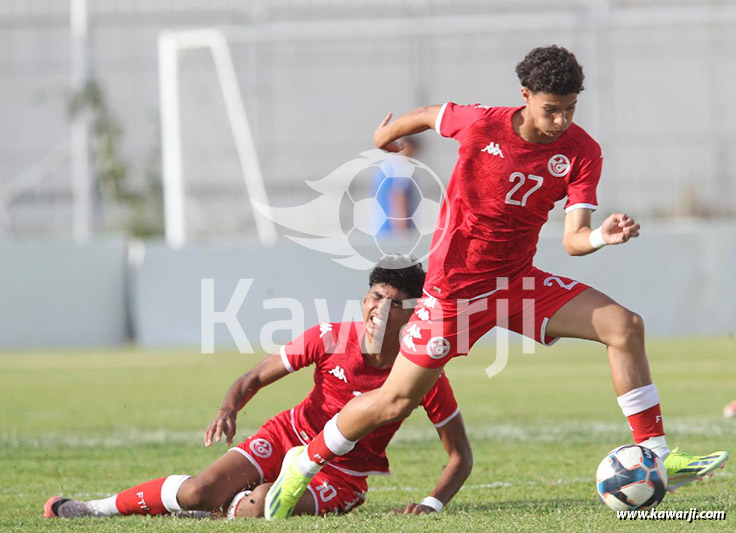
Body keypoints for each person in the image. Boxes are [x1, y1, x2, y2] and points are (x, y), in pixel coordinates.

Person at [264, 45, 729, 519]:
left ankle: (654, 452)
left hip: (516, 283)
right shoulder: (481, 123)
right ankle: (307, 459)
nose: (561, 121)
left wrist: (601, 237)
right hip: (454, 292)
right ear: (525, 96)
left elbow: (573, 239)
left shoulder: (583, 151)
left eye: (570, 108)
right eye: (551, 109)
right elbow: (428, 114)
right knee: (395, 401)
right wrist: (386, 134)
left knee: (624, 326)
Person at [44, 257, 472, 520]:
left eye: (395, 303)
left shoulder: (423, 373)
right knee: (197, 490)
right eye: (375, 297)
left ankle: (214, 512)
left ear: (414, 315)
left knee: (264, 505)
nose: (380, 309)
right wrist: (229, 408)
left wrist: (431, 504)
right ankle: (93, 508)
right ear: (364, 299)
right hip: (286, 437)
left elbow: (460, 457)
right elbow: (252, 378)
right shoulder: (328, 337)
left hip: (342, 475)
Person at [373, 136, 421, 236]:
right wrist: (401, 231)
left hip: (380, 230)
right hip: (393, 231)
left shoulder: (386, 165)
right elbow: (398, 198)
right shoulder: (401, 168)